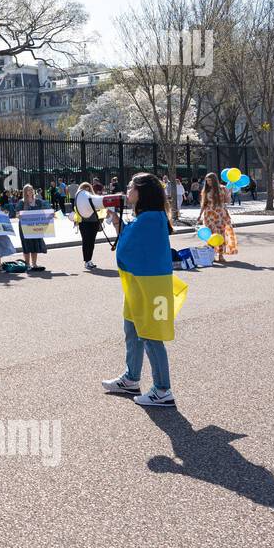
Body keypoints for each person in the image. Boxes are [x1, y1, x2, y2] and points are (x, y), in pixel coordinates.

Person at [101, 173, 184, 407]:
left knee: (151, 336)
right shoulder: (150, 217)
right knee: (132, 328)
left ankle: (162, 389)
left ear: (142, 192)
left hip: (151, 285)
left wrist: (120, 227)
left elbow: (126, 248)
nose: (127, 190)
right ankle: (131, 378)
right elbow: (131, 242)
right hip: (142, 283)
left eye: (130, 187)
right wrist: (119, 224)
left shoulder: (149, 218)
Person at [199, 172, 238, 264]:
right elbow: (203, 203)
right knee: (210, 235)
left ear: (214, 180)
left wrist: (229, 193)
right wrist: (199, 215)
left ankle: (220, 255)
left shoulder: (222, 188)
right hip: (209, 215)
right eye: (207, 181)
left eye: (210, 180)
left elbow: (228, 201)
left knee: (220, 234)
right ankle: (211, 255)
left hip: (220, 214)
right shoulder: (206, 190)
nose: (208, 183)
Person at [72, 181, 103, 270]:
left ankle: (89, 260)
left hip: (94, 221)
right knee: (86, 241)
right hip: (84, 222)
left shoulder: (93, 197)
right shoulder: (78, 198)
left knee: (92, 241)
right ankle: (87, 260)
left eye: (88, 188)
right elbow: (76, 209)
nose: (87, 190)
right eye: (85, 188)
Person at [17, 184, 48, 271]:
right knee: (26, 244)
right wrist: (19, 215)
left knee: (35, 243)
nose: (30, 191)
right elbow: (17, 214)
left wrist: (50, 214)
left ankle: (34, 264)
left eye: (31, 189)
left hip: (36, 226)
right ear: (25, 192)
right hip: (24, 227)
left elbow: (45, 209)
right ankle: (27, 264)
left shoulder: (38, 201)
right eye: (28, 190)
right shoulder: (22, 202)